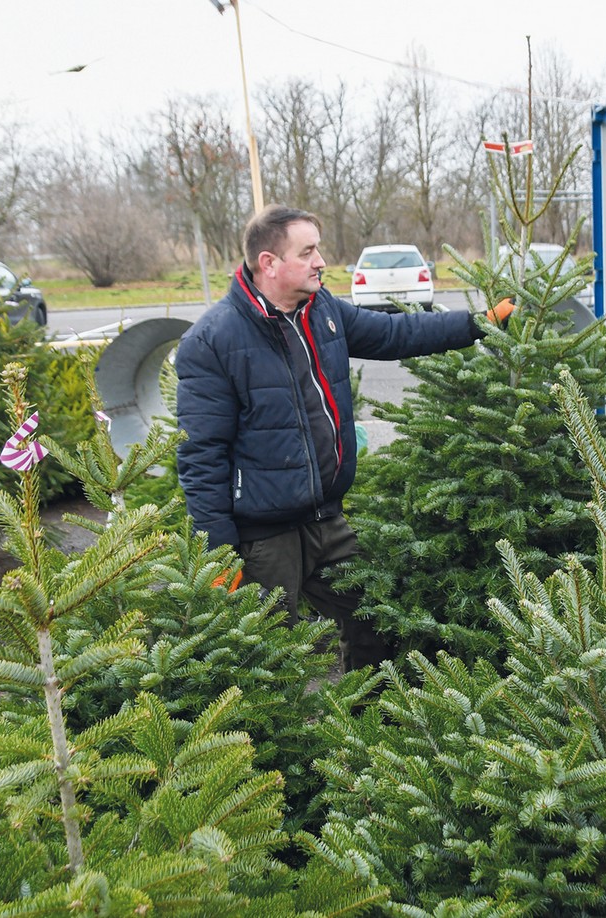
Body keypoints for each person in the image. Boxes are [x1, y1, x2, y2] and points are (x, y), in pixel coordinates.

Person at [175, 205, 502, 671]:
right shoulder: (213, 341)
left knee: (372, 616)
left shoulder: (321, 310)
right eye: (307, 251)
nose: (320, 261)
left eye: (318, 249)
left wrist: (476, 323)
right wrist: (218, 554)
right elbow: (201, 455)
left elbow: (395, 333)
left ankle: (368, 723)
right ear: (269, 263)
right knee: (268, 656)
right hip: (263, 537)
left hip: (327, 519)